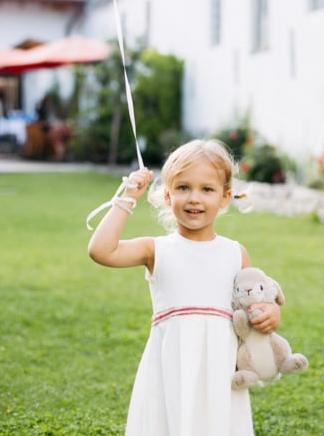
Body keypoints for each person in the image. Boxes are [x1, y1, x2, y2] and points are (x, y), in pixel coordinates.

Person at [87, 139, 281, 435]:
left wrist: (270, 316)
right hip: (171, 368)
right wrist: (127, 198)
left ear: (225, 197)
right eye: (183, 188)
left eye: (207, 189)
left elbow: (255, 307)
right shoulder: (156, 250)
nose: (194, 198)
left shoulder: (235, 253)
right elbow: (101, 250)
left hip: (219, 369)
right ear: (167, 195)